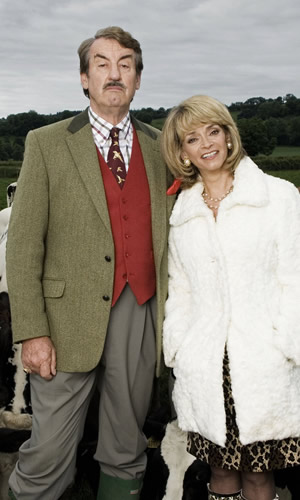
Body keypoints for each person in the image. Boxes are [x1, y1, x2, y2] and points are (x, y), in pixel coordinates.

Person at [6, 26, 174, 500]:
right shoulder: (46, 142)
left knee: (126, 443)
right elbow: (22, 247)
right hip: (62, 321)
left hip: (138, 310)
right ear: (84, 78)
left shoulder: (161, 146)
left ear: (138, 80)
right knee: (49, 450)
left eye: (125, 65)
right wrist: (32, 332)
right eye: (102, 64)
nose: (114, 74)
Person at [161, 94, 300, 500]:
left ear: (228, 134)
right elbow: (181, 290)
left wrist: (286, 344)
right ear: (182, 152)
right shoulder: (183, 213)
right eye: (192, 138)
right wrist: (180, 349)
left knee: (258, 477)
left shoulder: (279, 197)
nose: (206, 144)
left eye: (213, 131)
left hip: (263, 363)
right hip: (206, 367)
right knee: (219, 474)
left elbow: (294, 277)